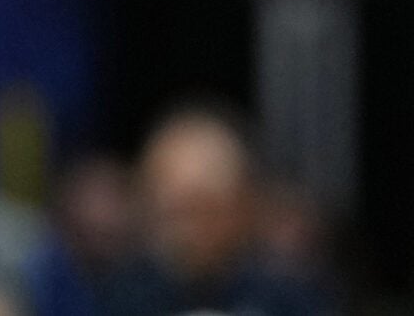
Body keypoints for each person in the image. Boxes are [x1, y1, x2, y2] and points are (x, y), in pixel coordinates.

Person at [96, 104, 328, 316]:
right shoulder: (121, 296)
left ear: (241, 205)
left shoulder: (285, 294)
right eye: (172, 211)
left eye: (201, 209)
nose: (185, 229)